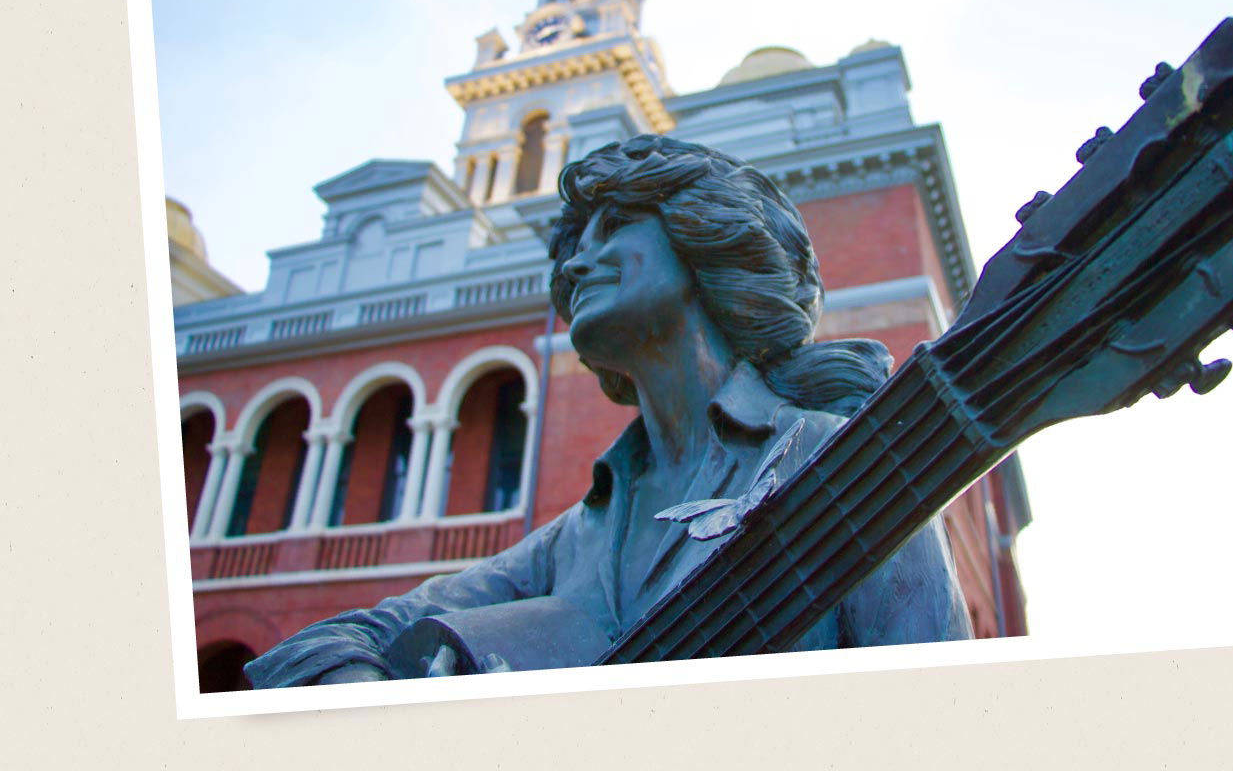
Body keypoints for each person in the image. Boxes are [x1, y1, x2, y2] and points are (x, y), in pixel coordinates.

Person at [245, 135, 971, 687]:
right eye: (572, 246)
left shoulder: (834, 460)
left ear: (704, 243)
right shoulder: (577, 535)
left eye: (615, 227)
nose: (575, 263)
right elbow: (321, 643)